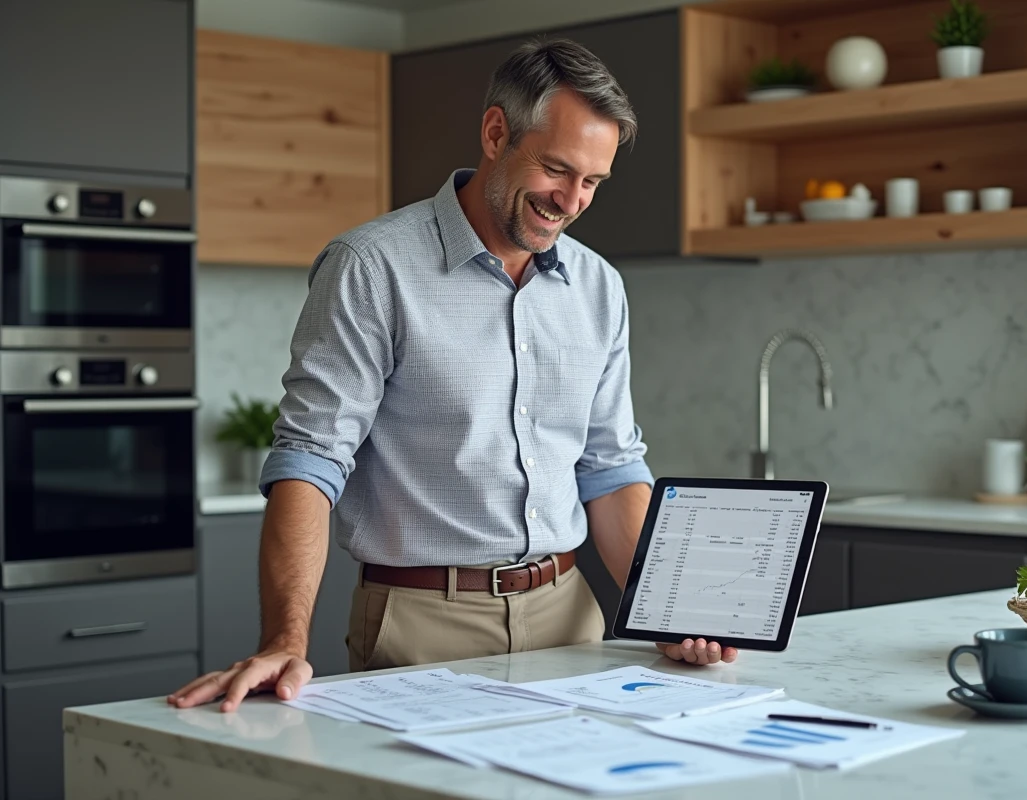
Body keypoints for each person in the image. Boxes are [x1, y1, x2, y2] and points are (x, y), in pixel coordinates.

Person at [170, 38, 737, 714]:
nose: (572, 200)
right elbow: (310, 460)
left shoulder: (599, 286)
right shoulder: (372, 267)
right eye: (557, 169)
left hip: (570, 617)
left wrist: (666, 611)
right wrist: (284, 639)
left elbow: (610, 470)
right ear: (496, 133)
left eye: (593, 182)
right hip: (422, 623)